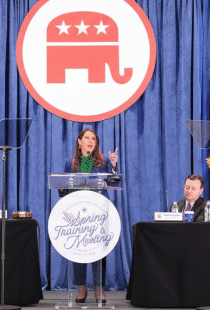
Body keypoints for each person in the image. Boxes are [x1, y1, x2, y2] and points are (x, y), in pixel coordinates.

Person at [59, 128, 118, 304]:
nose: (90, 141)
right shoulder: (70, 163)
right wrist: (61, 188)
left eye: (93, 138)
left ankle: (99, 288)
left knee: (100, 251)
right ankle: (82, 287)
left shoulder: (104, 162)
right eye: (86, 138)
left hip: (99, 214)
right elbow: (64, 191)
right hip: (78, 215)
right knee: (79, 250)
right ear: (79, 142)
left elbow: (115, 181)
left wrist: (114, 166)